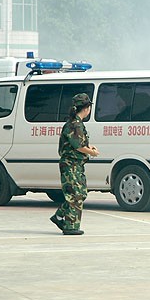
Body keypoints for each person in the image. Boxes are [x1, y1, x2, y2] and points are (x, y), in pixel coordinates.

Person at [50, 93, 99, 235]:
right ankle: (70, 226)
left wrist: (90, 148)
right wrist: (91, 153)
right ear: (86, 108)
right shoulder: (74, 124)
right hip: (70, 164)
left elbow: (80, 143)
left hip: (77, 165)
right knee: (75, 194)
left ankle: (59, 216)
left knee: (80, 193)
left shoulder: (77, 124)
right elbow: (78, 146)